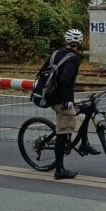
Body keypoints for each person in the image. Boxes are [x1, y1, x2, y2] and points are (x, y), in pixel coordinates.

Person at [42, 28, 98, 180]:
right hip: (60, 100)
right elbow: (65, 80)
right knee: (62, 132)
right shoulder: (74, 58)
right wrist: (67, 100)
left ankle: (84, 143)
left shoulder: (56, 53)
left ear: (66, 40)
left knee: (87, 107)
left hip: (51, 95)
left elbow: (43, 72)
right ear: (80, 43)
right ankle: (59, 170)